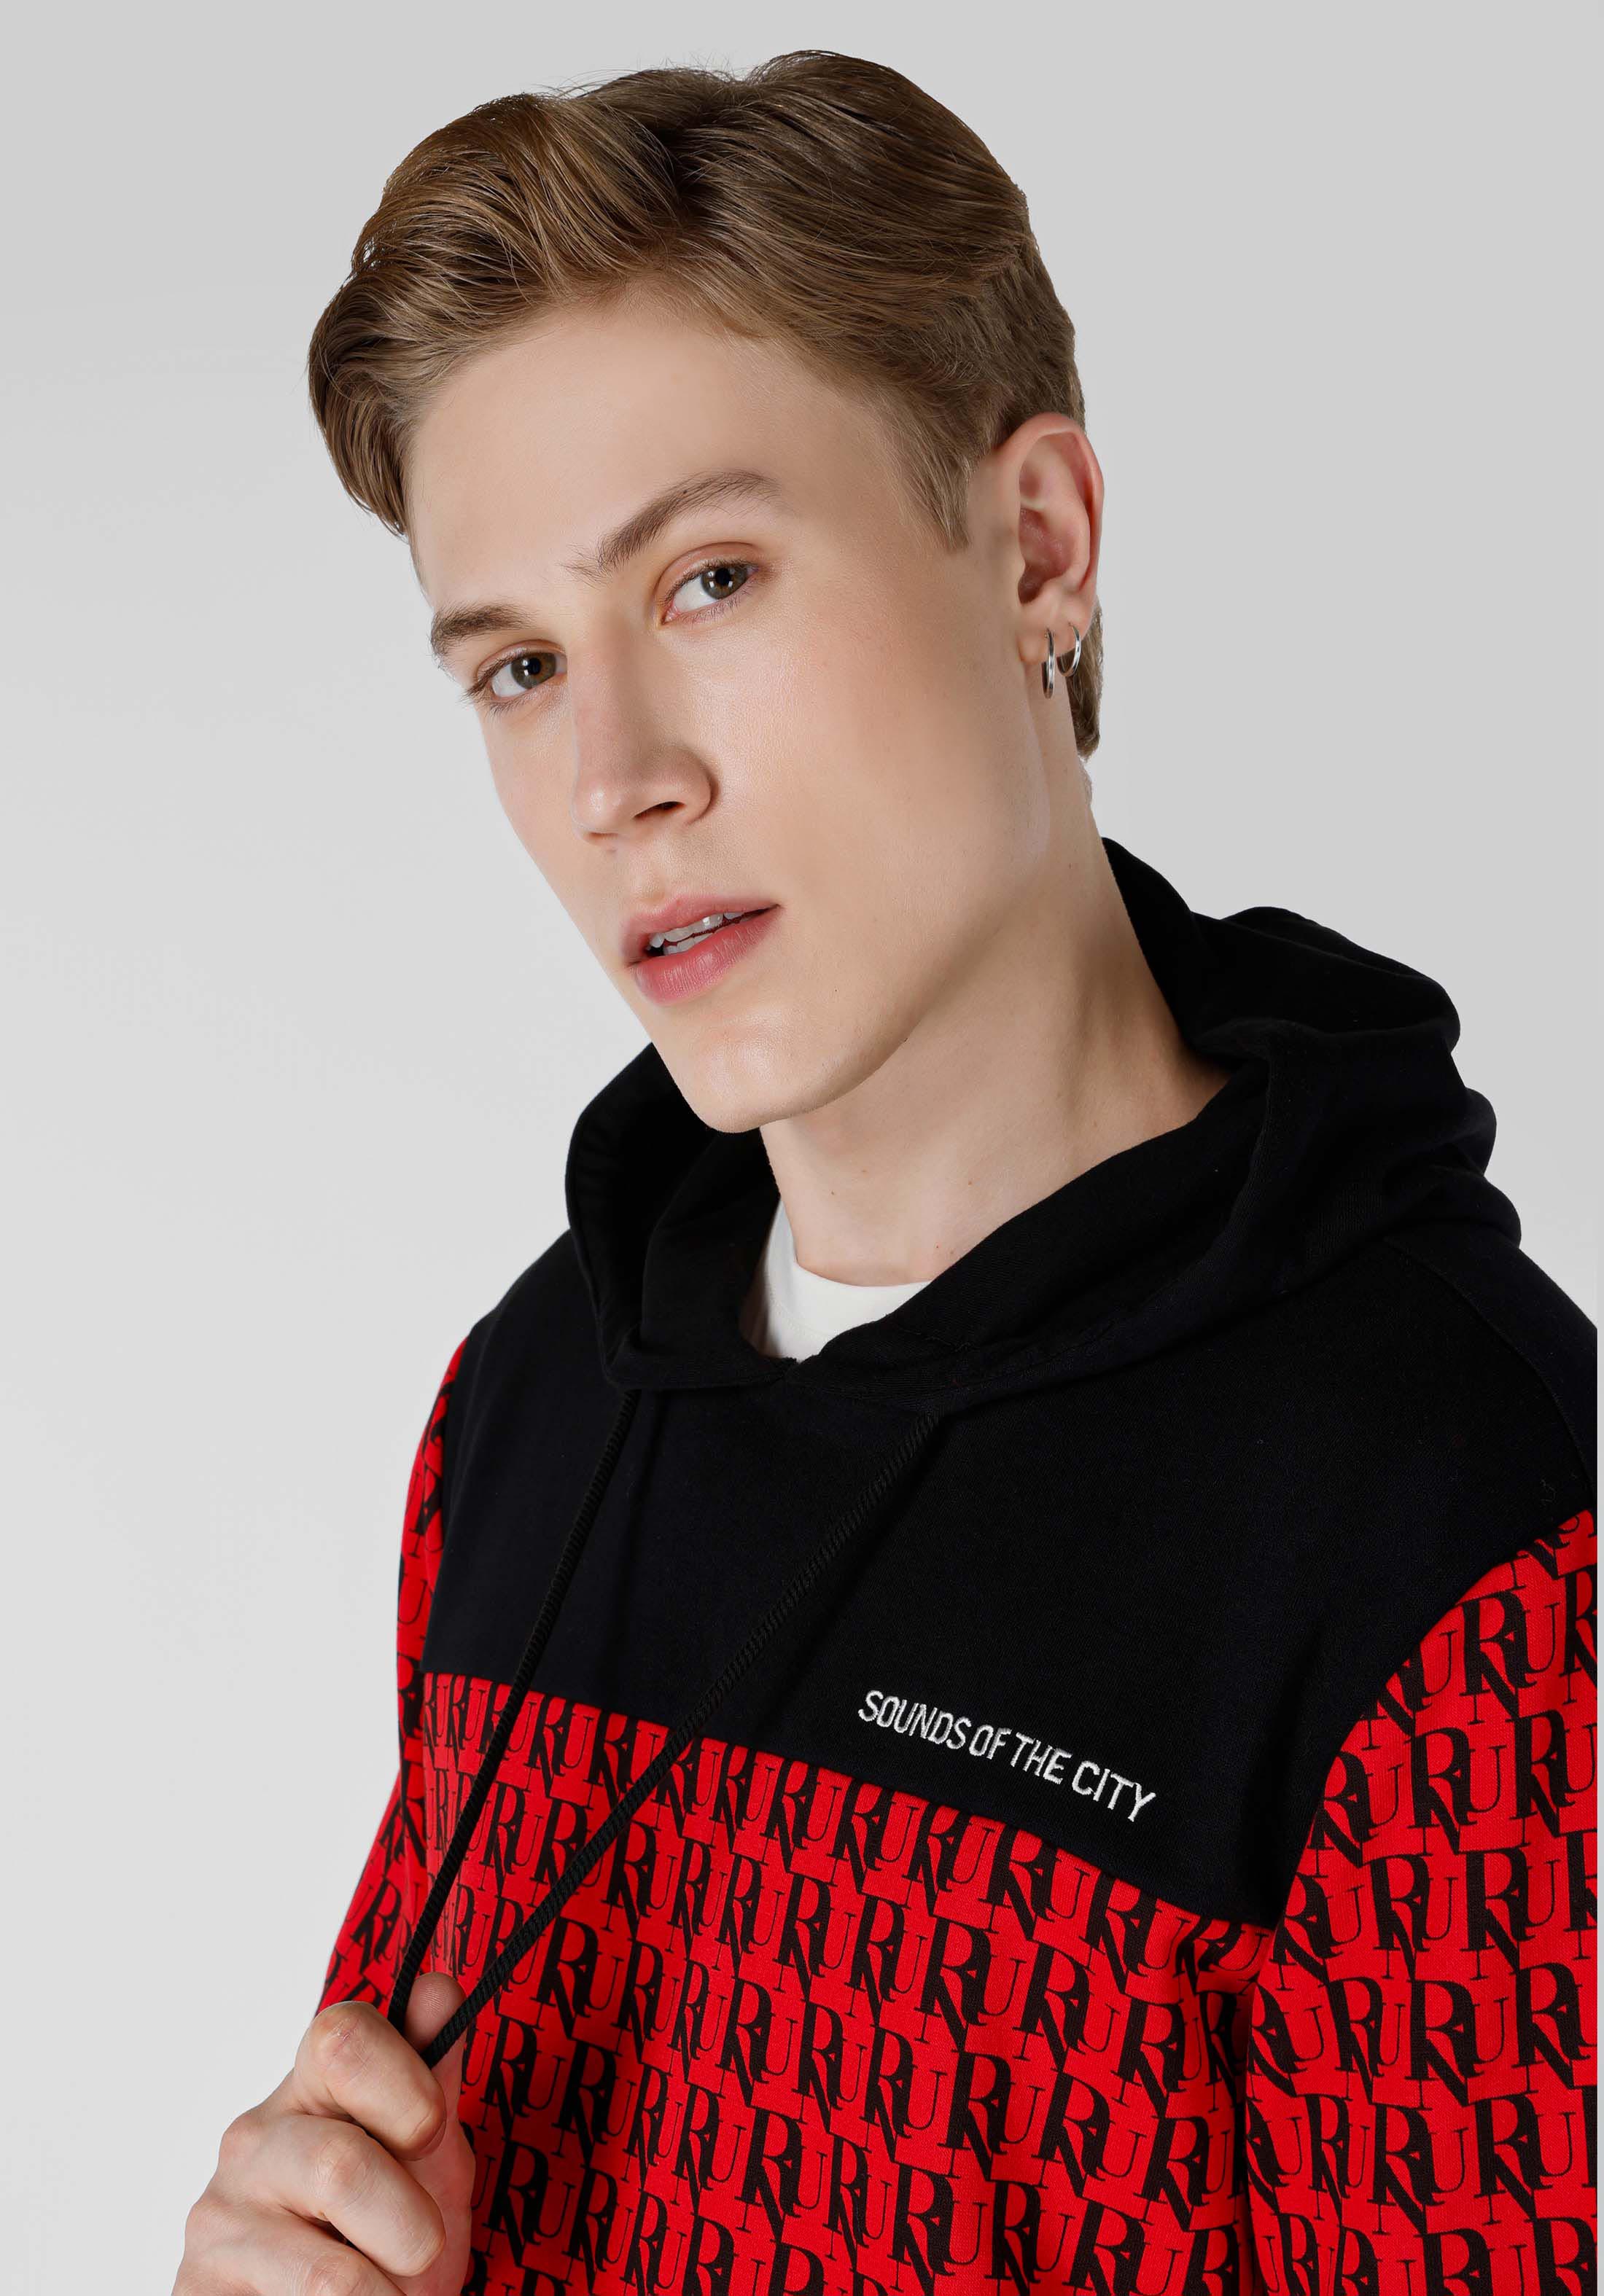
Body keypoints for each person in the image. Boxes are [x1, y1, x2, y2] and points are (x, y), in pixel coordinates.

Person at [176, 49, 1596, 2296]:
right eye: (519, 665)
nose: (615, 776)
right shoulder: (531, 1404)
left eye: (712, 578)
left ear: (1037, 547)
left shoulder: (1478, 1545)